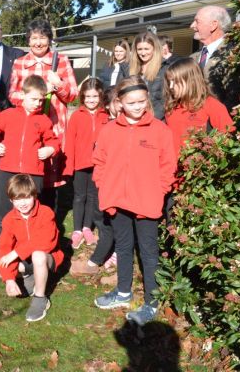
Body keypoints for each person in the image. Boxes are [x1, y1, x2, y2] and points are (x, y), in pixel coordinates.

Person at [92, 76, 177, 325]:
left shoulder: (160, 130)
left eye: (142, 101)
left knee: (149, 253)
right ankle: (123, 292)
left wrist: (159, 191)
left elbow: (168, 166)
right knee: (124, 247)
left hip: (147, 203)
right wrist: (104, 187)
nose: (138, 106)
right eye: (132, 102)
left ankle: (152, 302)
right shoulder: (109, 130)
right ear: (119, 103)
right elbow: (100, 162)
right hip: (117, 201)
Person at [0, 75, 59, 256]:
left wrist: (50, 149)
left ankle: (29, 245)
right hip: (8, 170)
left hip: (32, 172)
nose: (37, 103)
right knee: (4, 210)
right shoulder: (8, 115)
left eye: (41, 100)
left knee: (31, 210)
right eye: (33, 99)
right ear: (22, 95)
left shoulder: (44, 120)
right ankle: (1, 246)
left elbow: (53, 141)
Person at [8, 18, 78, 192]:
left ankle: (48, 216)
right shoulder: (19, 63)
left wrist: (59, 84)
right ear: (28, 40)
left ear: (49, 39)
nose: (38, 43)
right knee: (28, 173)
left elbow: (73, 94)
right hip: (28, 127)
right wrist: (33, 95)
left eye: (42, 38)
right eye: (34, 38)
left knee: (50, 179)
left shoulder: (61, 61)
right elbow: (12, 94)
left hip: (54, 126)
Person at [0, 174, 64, 322]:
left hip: (47, 257)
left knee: (37, 255)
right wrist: (9, 279)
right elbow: (4, 248)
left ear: (35, 196)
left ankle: (40, 298)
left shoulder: (46, 213)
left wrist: (16, 253)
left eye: (27, 197)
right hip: (25, 261)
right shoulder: (9, 219)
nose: (22, 203)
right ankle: (31, 280)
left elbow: (48, 242)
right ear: (11, 200)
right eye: (17, 199)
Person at [63, 78, 109, 250]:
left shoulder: (105, 115)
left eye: (95, 96)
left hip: (98, 165)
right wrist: (69, 165)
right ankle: (76, 231)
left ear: (101, 96)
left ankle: (87, 227)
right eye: (88, 96)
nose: (91, 100)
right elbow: (70, 143)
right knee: (79, 196)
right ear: (82, 97)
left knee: (93, 197)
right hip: (80, 164)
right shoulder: (76, 116)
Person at [164, 58, 234, 156]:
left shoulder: (212, 106)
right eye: (169, 81)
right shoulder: (171, 108)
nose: (171, 86)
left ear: (190, 80)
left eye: (175, 81)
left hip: (198, 168)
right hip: (172, 168)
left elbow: (229, 139)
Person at [189, 5, 239, 111]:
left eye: (197, 21)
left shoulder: (234, 55)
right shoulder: (192, 58)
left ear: (213, 25)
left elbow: (234, 96)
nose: (192, 25)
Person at [127, 31, 167, 120]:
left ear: (154, 48)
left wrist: (151, 118)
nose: (143, 53)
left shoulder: (164, 69)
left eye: (146, 49)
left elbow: (166, 100)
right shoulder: (129, 69)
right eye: (139, 49)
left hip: (156, 119)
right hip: (133, 119)